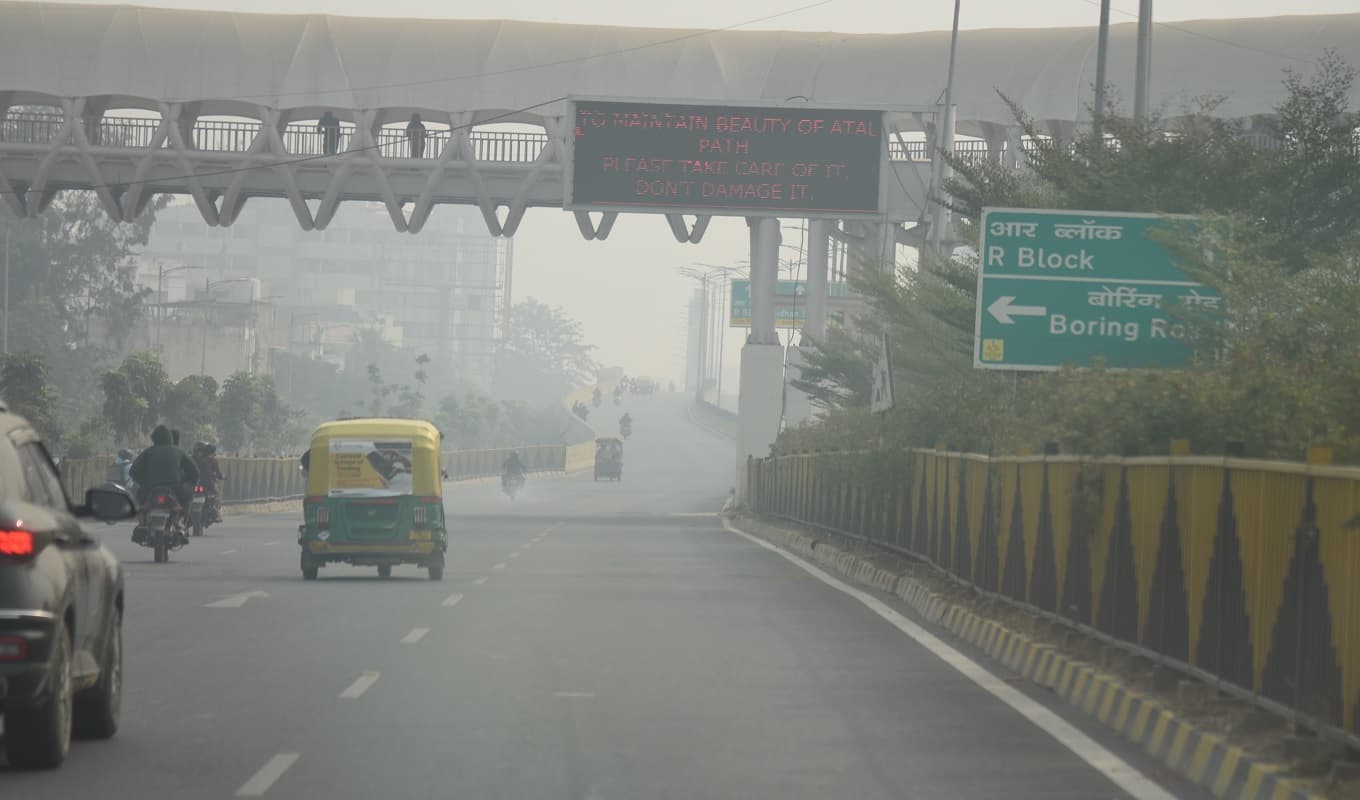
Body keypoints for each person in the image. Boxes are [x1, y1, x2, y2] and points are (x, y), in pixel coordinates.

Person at [129, 425, 200, 542]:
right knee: (188, 497)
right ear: (169, 438)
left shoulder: (148, 452)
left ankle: (142, 522)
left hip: (151, 488)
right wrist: (188, 484)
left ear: (154, 438)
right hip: (175, 488)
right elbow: (195, 472)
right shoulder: (178, 451)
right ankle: (181, 522)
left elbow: (134, 471)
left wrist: (144, 482)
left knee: (140, 497)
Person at [193, 442, 225, 523]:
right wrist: (222, 477)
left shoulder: (196, 460)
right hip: (209, 484)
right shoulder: (213, 461)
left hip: (197, 483)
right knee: (217, 495)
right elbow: (218, 473)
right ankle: (217, 513)